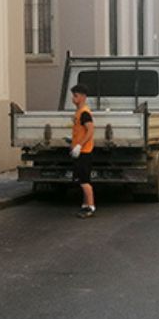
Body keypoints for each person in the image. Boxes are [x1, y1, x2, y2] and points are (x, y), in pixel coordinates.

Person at [69, 84, 95, 219]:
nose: (73, 98)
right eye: (73, 95)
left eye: (75, 96)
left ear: (83, 97)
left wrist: (79, 145)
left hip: (84, 152)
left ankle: (90, 207)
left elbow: (90, 130)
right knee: (82, 180)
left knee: (85, 181)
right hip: (80, 150)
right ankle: (85, 205)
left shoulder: (84, 113)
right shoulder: (79, 112)